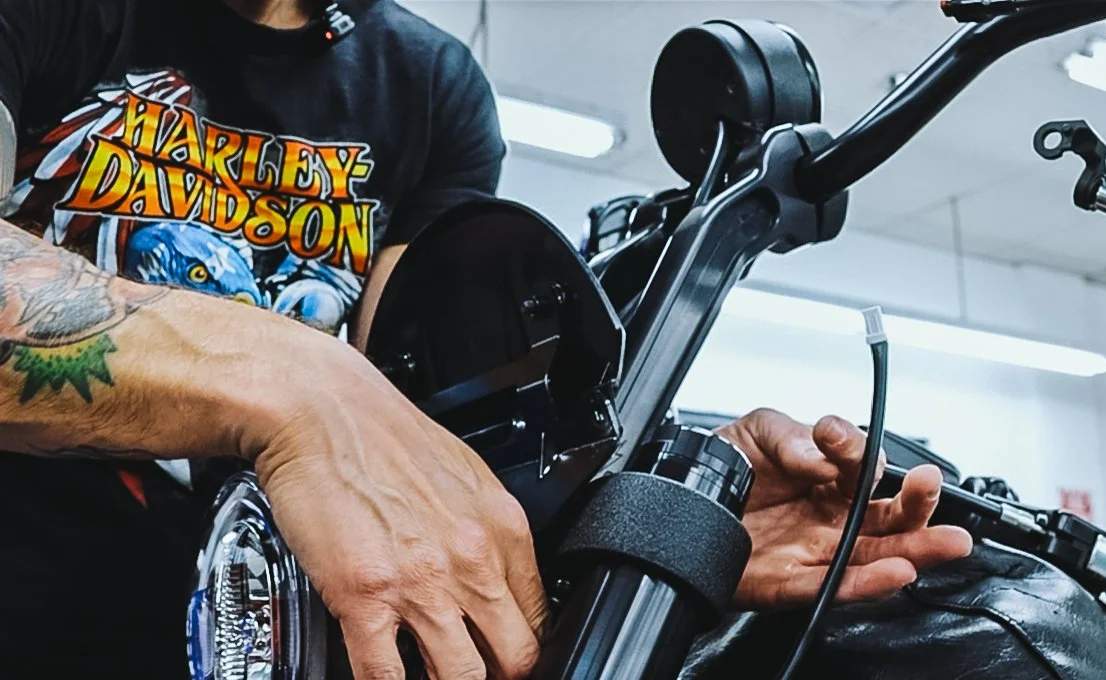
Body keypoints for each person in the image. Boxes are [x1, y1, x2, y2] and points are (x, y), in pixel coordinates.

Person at [0, 0, 973, 678]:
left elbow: (433, 423)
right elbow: (342, 403)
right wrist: (294, 379)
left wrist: (651, 518)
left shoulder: (429, 85)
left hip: (264, 627)